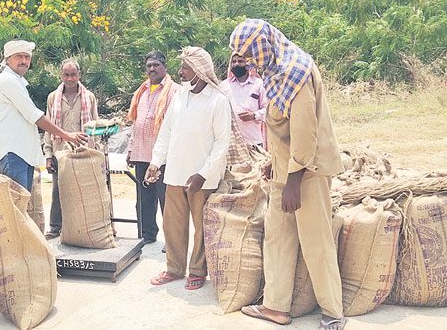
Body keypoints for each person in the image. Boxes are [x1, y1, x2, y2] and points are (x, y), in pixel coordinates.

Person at [232, 19, 346, 330]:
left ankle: (333, 313)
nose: (249, 63)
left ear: (263, 47)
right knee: (277, 239)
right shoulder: (276, 71)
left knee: (316, 241)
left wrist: (293, 181)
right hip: (285, 170)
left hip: (307, 173)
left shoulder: (296, 71)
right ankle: (275, 306)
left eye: (250, 56)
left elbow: (305, 132)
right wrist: (274, 161)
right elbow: (282, 127)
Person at [146, 46, 231, 291]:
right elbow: (166, 133)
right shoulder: (179, 96)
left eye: (185, 68)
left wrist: (203, 174)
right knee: (172, 225)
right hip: (175, 173)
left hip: (201, 178)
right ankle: (174, 268)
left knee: (202, 227)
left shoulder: (217, 100)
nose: (180, 72)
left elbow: (222, 143)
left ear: (199, 71)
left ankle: (197, 271)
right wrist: (155, 162)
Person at [0, 39, 87, 192]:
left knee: (22, 203)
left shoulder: (18, 81)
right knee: (17, 203)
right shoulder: (7, 81)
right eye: (19, 56)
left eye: (27, 57)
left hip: (22, 153)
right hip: (13, 153)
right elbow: (34, 116)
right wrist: (66, 135)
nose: (24, 61)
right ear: (7, 59)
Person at [126, 51, 180, 245]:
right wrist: (130, 149)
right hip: (142, 152)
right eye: (149, 65)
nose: (152, 69)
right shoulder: (141, 91)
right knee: (144, 198)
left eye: (156, 65)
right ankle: (146, 235)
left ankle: (172, 241)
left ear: (165, 67)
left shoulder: (175, 91)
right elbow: (136, 123)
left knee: (167, 199)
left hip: (163, 156)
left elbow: (176, 125)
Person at [43, 58, 99, 239]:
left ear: (79, 75)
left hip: (84, 151)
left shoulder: (89, 97)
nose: (69, 78)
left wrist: (96, 151)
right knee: (58, 191)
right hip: (60, 151)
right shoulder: (53, 97)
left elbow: (95, 126)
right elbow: (48, 126)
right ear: (61, 75)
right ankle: (55, 227)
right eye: (66, 74)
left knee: (83, 191)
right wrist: (48, 154)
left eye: (73, 74)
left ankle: (82, 229)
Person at [220, 53, 267, 148]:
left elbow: (268, 110)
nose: (236, 64)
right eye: (234, 61)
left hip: (253, 142)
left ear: (248, 64)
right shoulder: (224, 86)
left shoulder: (259, 84)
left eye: (240, 61)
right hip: (230, 143)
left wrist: (254, 115)